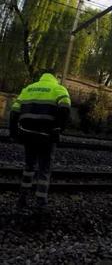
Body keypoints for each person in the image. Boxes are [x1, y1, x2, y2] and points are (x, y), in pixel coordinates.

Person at [9, 69, 71, 210]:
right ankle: (40, 202)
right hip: (46, 137)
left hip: (27, 135)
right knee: (44, 169)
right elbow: (65, 108)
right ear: (55, 77)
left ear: (41, 77)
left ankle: (22, 199)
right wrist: (58, 129)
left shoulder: (28, 89)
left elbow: (14, 112)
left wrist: (13, 134)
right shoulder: (59, 89)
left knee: (28, 167)